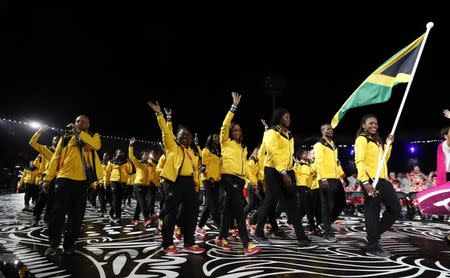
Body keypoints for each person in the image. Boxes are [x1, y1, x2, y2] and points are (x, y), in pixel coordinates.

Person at [148, 99, 205, 255]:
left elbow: (195, 171)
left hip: (188, 183)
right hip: (173, 182)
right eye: (182, 135)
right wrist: (161, 115)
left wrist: (198, 187)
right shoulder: (172, 146)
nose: (186, 137)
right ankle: (168, 244)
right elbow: (166, 131)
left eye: (189, 135)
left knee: (192, 213)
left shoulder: (193, 153)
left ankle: (189, 243)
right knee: (171, 213)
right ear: (177, 137)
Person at [42, 115, 103, 256]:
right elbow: (55, 158)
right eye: (77, 121)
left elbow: (96, 146)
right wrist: (48, 178)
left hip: (82, 182)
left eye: (83, 121)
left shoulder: (93, 136)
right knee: (57, 214)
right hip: (63, 179)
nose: (79, 123)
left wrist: (79, 132)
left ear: (88, 124)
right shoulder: (65, 138)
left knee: (76, 217)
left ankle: (69, 244)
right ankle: (53, 243)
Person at [255, 107, 311, 247]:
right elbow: (273, 152)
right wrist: (283, 172)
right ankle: (258, 233)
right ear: (279, 118)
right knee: (270, 202)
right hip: (274, 171)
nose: (289, 119)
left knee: (291, 204)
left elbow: (289, 155)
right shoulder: (271, 132)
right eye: (286, 117)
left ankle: (302, 238)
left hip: (287, 170)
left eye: (289, 117)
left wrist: (290, 170)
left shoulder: (289, 135)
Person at [215, 92, 261, 255]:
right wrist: (233, 107)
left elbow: (248, 168)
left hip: (240, 180)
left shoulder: (243, 148)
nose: (236, 132)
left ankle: (221, 238)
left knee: (229, 210)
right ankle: (246, 243)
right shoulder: (225, 142)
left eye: (238, 130)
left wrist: (254, 182)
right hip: (228, 178)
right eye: (233, 130)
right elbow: (224, 125)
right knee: (239, 211)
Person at [354, 114, 400, 257]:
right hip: (370, 180)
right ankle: (372, 245)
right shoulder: (362, 139)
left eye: (376, 124)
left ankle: (373, 236)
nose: (374, 126)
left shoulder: (377, 141)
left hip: (382, 180)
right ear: (363, 125)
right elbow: (359, 161)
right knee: (372, 212)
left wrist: (388, 144)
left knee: (395, 208)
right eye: (371, 123)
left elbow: (383, 160)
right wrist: (365, 182)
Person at [313, 123, 347, 242]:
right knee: (327, 206)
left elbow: (336, 162)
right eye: (328, 129)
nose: (331, 130)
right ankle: (327, 233)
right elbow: (319, 162)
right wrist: (322, 178)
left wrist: (343, 175)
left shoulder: (333, 145)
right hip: (325, 179)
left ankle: (325, 224)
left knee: (342, 203)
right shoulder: (319, 145)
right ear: (322, 131)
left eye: (331, 129)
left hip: (335, 178)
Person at [29, 127, 60, 226]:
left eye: (59, 140)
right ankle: (36, 217)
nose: (57, 141)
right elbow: (32, 143)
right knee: (42, 199)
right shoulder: (46, 149)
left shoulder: (63, 152)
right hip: (46, 177)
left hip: (58, 178)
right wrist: (39, 132)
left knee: (53, 200)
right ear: (52, 141)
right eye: (55, 140)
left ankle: (48, 219)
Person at [196, 134, 222, 236]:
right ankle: (221, 228)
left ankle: (199, 227)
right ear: (210, 139)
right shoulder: (206, 150)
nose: (217, 139)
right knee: (214, 206)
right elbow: (204, 166)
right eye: (214, 137)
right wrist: (209, 177)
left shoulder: (217, 151)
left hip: (217, 181)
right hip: (209, 180)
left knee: (208, 205)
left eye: (218, 137)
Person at [129, 138, 153, 227]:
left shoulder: (149, 165)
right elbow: (131, 157)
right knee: (143, 201)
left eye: (147, 155)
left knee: (140, 202)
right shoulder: (139, 163)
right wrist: (131, 146)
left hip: (146, 186)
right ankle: (146, 219)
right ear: (142, 156)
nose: (146, 156)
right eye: (145, 155)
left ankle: (135, 218)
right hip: (138, 185)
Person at [104, 149, 132, 224]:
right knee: (116, 199)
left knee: (118, 200)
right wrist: (106, 184)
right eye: (120, 152)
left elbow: (129, 172)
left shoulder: (125, 163)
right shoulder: (111, 162)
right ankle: (117, 216)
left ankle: (111, 212)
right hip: (114, 181)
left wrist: (129, 163)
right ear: (116, 153)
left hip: (122, 183)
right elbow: (107, 174)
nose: (121, 154)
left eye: (122, 152)